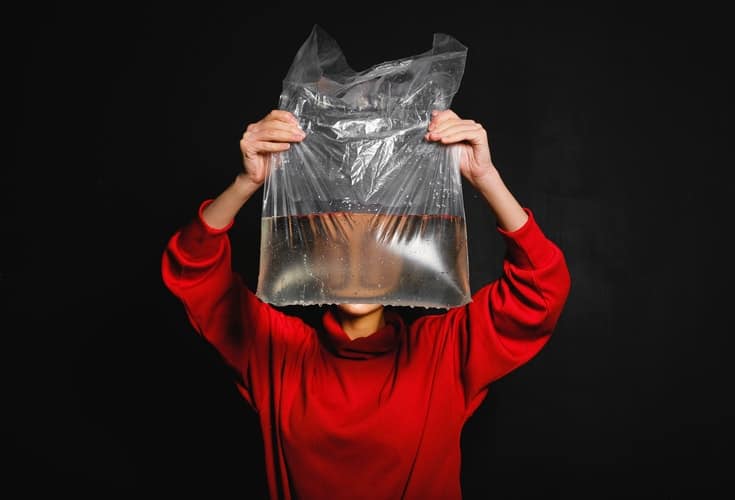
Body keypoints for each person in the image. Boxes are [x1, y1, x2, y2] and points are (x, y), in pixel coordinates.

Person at [161, 108, 571, 499]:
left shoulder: (441, 352)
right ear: (317, 263)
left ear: (404, 264)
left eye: (377, 251)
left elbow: (541, 292)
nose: (358, 268)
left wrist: (486, 178)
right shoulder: (278, 354)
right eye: (342, 250)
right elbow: (193, 274)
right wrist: (246, 182)